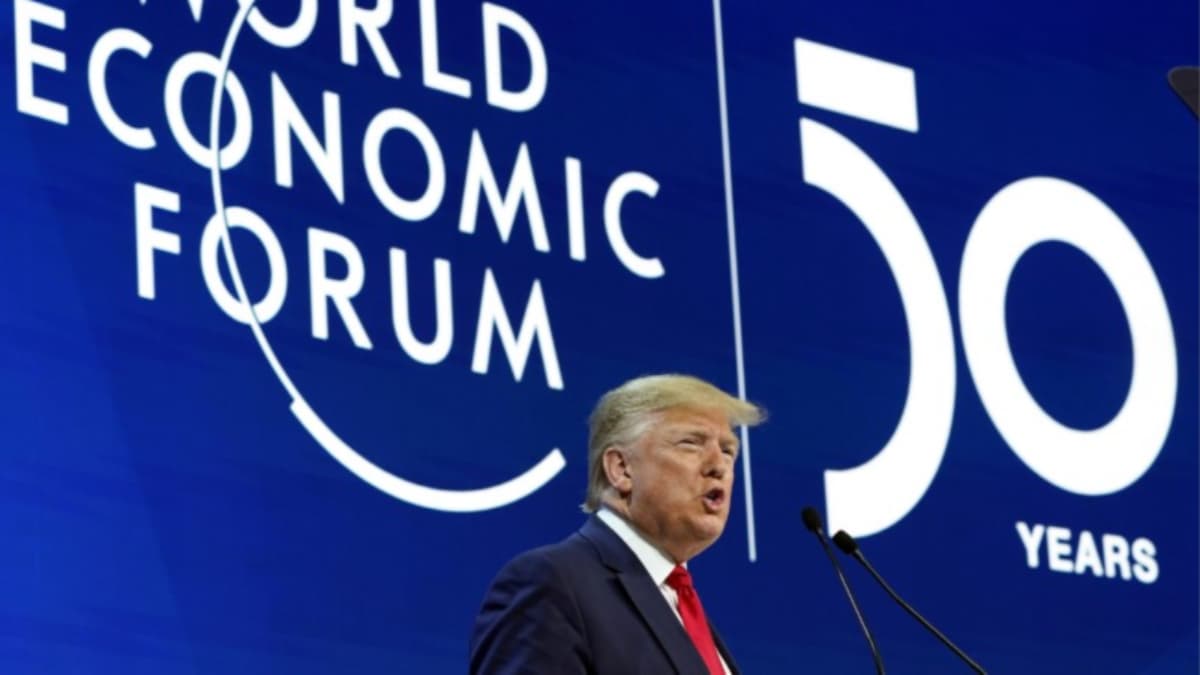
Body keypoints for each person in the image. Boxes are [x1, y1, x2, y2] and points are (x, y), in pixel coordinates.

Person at [469, 374, 765, 674]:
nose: (719, 466)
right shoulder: (553, 583)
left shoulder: (682, 605)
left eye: (728, 450)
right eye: (691, 443)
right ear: (621, 469)